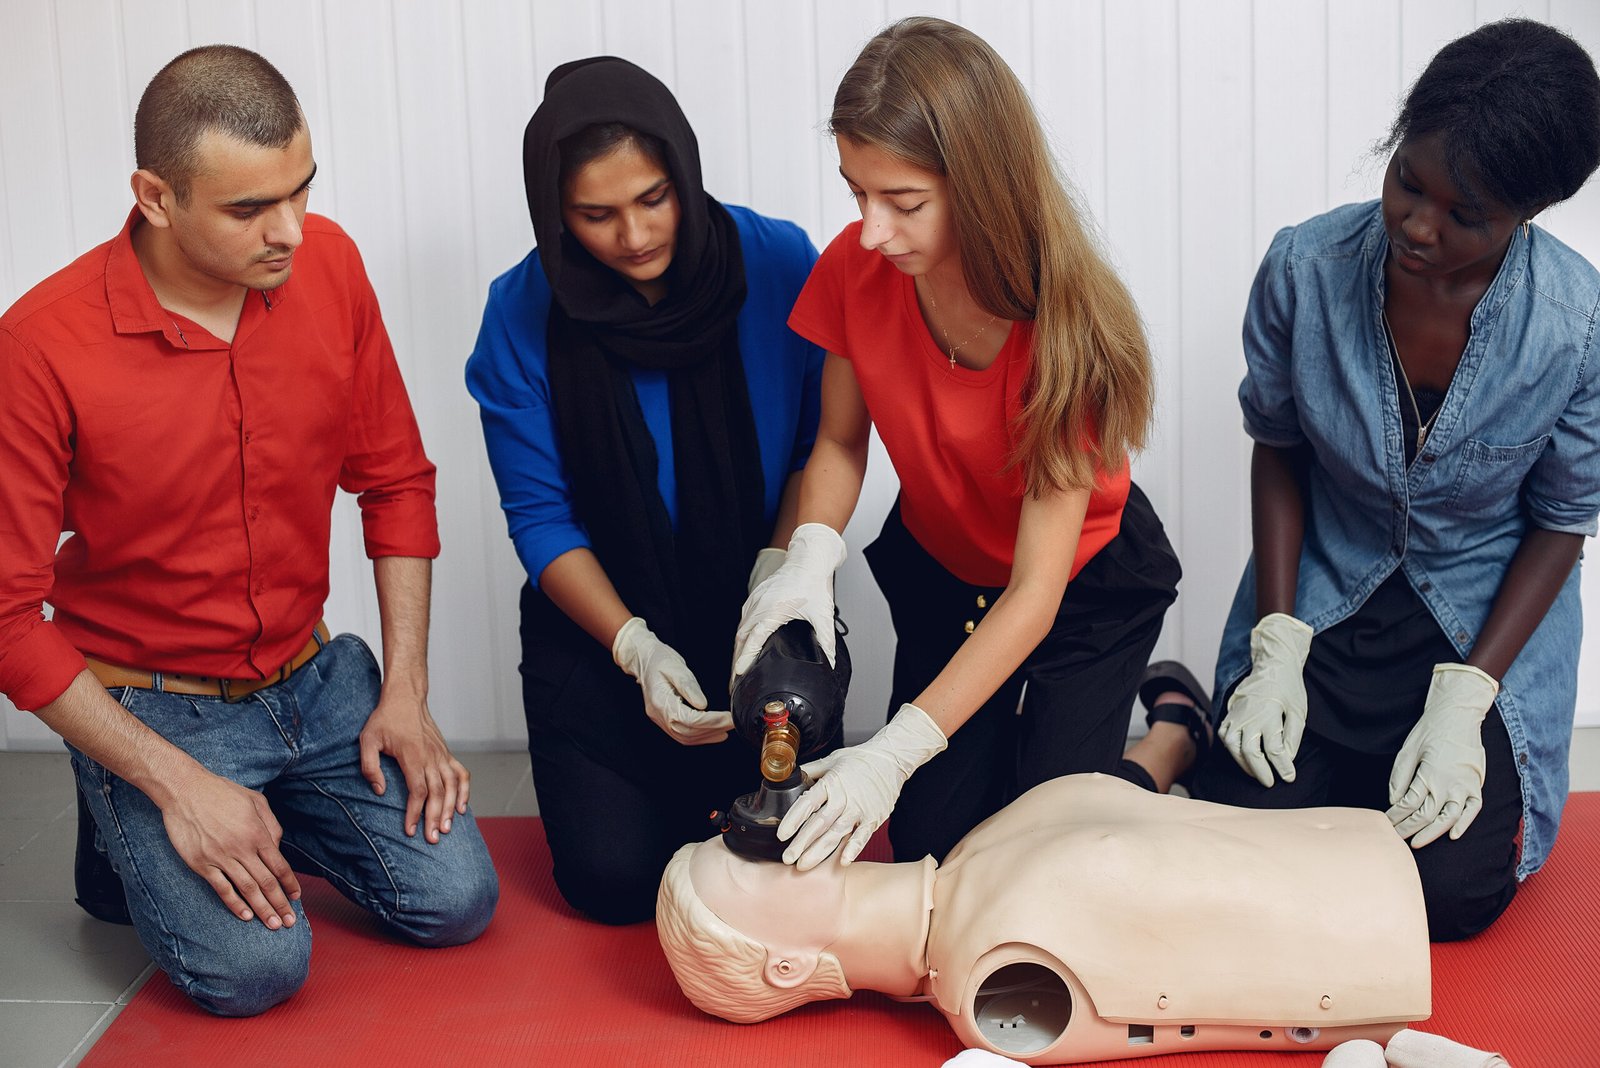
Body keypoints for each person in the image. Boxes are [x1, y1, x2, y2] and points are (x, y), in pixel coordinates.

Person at [0, 46, 498, 1016]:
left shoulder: (332, 265)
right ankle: (129, 810)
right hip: (152, 705)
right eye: (247, 210)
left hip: (311, 683)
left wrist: (406, 691)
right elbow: (9, 616)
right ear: (155, 196)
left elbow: (394, 481)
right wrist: (176, 786)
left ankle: (206, 817)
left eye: (301, 191)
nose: (291, 231)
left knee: (456, 901)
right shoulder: (39, 345)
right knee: (254, 974)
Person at [1145, 18, 1600, 942]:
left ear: (1530, 210)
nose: (1419, 226)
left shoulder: (1576, 325)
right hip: (1326, 594)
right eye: (1407, 181)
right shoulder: (1303, 269)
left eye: (1464, 215)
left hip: (1479, 616)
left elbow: (1561, 520)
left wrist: (1469, 697)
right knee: (1236, 840)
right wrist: (1276, 644)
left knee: (1452, 897)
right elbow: (1278, 446)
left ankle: (1390, 756)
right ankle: (1198, 709)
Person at [730, 17, 1186, 871]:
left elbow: (1033, 596)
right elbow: (837, 440)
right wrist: (808, 558)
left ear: (980, 186)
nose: (869, 231)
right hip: (947, 568)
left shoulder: (1069, 336)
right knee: (936, 842)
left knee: (1047, 847)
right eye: (855, 193)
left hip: (1076, 586)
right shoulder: (857, 266)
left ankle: (1170, 740)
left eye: (903, 203)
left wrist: (889, 755)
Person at [465, 57, 825, 924]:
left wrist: (780, 583)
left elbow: (825, 447)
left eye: (653, 197)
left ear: (685, 174)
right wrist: (635, 647)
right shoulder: (519, 312)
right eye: (595, 214)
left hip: (757, 612)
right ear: (556, 213)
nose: (632, 235)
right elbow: (541, 519)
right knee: (613, 883)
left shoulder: (778, 262)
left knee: (787, 862)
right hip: (603, 635)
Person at [656, 773, 1431, 1063]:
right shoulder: (983, 979)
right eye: (745, 870)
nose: (763, 845)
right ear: (786, 964)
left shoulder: (974, 859)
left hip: (1363, 837)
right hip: (1383, 929)